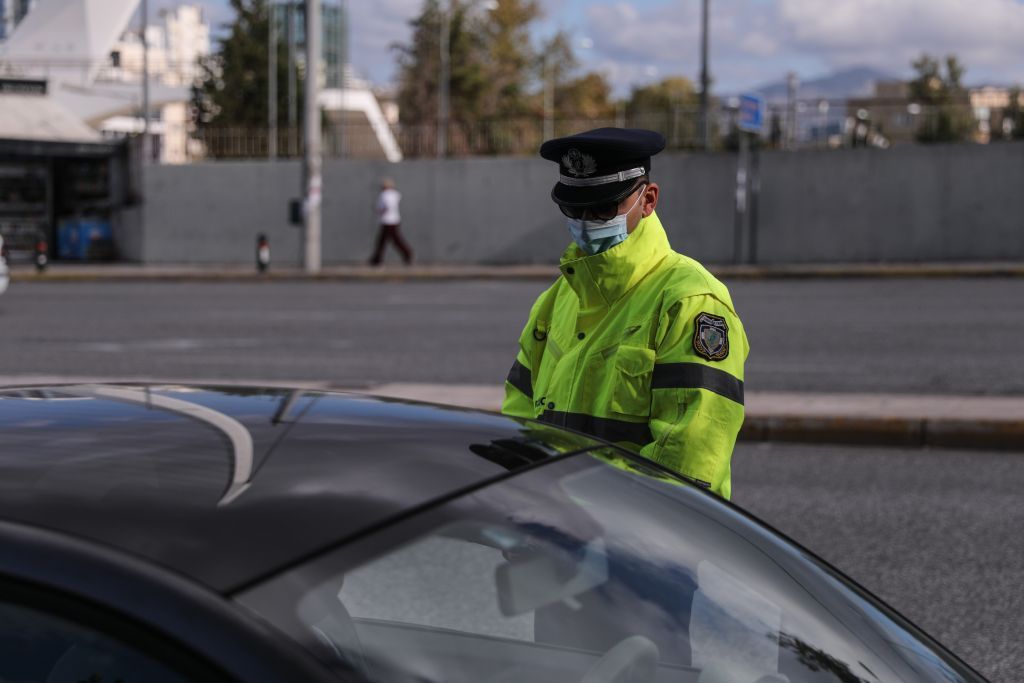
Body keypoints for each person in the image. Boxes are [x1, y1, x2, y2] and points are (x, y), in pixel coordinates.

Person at [501, 128, 748, 500]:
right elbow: (519, 414)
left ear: (648, 199)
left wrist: (626, 542)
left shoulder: (690, 300)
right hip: (554, 523)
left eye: (603, 207)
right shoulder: (556, 299)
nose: (586, 221)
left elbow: (690, 456)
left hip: (639, 540)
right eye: (573, 208)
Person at [370, 178, 413, 266]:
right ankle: (376, 259)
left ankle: (407, 254)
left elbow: (386, 206)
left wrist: (381, 211)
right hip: (393, 220)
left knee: (392, 241)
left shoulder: (385, 195)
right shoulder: (395, 195)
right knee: (383, 241)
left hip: (387, 221)